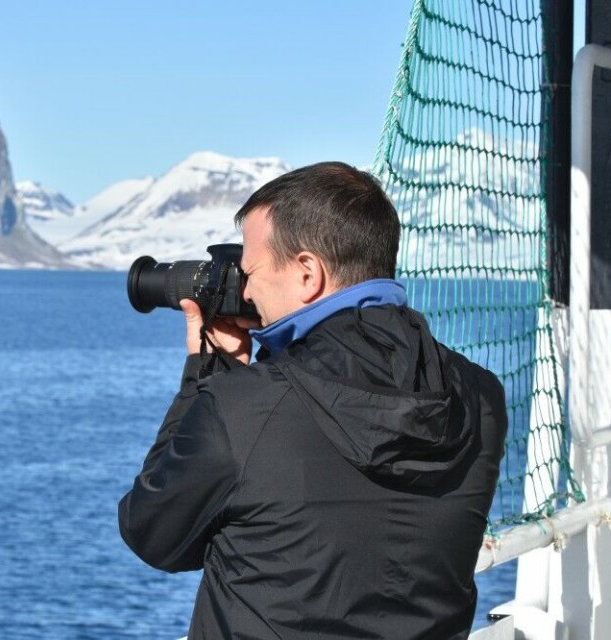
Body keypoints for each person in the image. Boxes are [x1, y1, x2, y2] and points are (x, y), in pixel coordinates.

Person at [117, 161, 508, 639]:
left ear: (307, 273)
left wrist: (207, 371)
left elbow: (156, 535)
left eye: (251, 271)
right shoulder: (481, 397)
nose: (247, 288)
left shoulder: (243, 409)